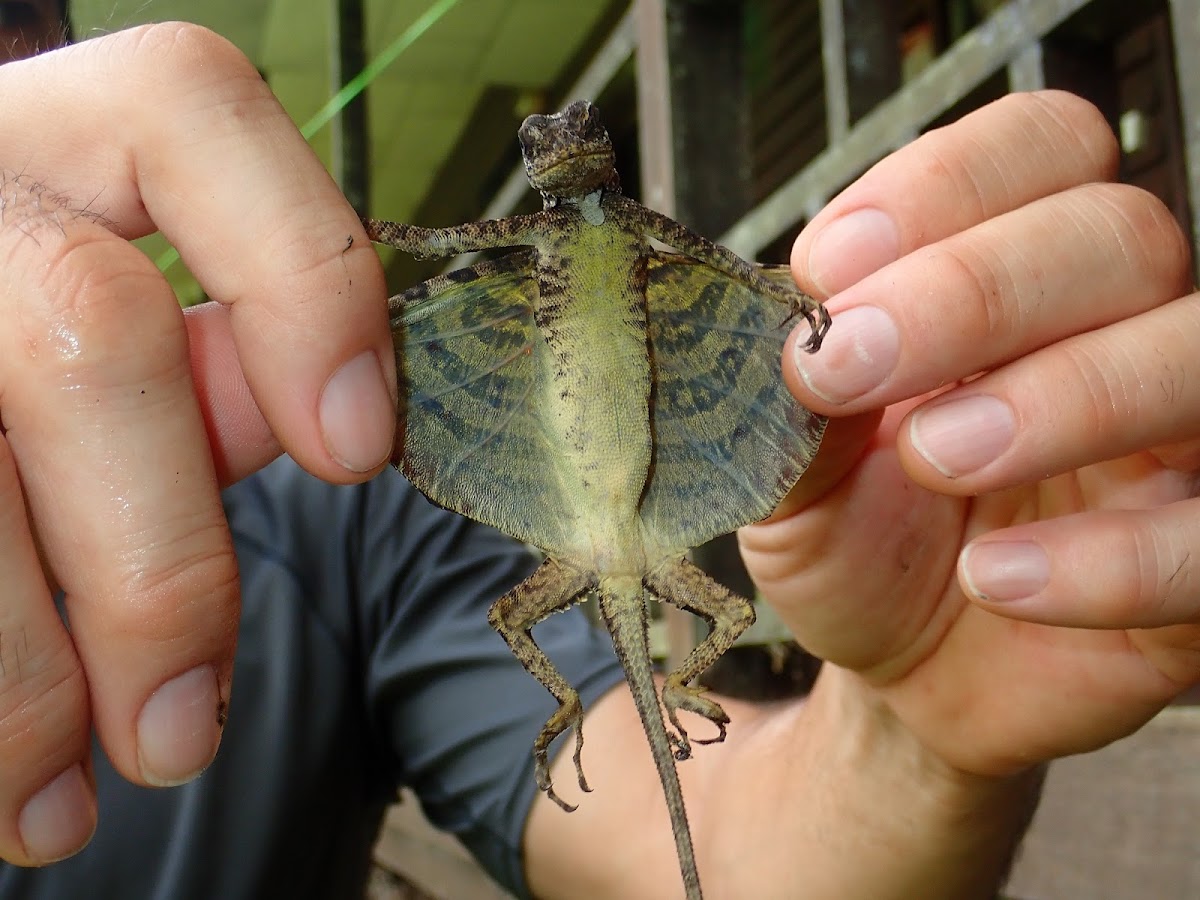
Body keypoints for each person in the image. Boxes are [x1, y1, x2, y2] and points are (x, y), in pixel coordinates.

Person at [1, 11, 1198, 900]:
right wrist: (390, 238)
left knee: (650, 698)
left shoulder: (345, 507)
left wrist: (916, 737)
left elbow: (720, 265)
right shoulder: (337, 476)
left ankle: (639, 685)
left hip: (608, 504)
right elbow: (456, 235)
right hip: (594, 505)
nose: (561, 149)